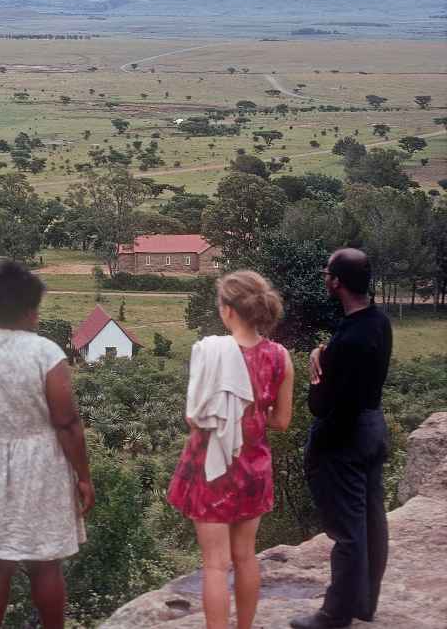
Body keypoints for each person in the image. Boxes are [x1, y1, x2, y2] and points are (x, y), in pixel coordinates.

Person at [0, 260, 94, 629]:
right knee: (45, 563)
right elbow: (67, 422)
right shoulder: (44, 354)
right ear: (30, 309)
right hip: (39, 461)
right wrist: (84, 476)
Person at [168, 270, 294, 629]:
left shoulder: (210, 352)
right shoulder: (280, 357)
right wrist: (254, 416)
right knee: (245, 557)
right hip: (253, 467)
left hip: (211, 468)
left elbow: (195, 419)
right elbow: (282, 421)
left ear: (227, 310)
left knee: (214, 564)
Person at [290, 249, 392, 629]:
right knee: (371, 519)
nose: (324, 278)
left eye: (327, 274)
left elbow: (322, 405)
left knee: (347, 531)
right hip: (372, 427)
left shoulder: (350, 339)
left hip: (344, 438)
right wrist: (323, 352)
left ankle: (335, 613)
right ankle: (364, 603)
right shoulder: (376, 322)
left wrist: (317, 377)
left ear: (337, 282)